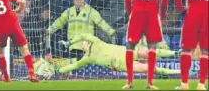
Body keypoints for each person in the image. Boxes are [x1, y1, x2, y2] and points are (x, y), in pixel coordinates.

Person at [34, 34, 180, 79]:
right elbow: (73, 65)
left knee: (149, 52)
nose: (84, 42)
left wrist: (69, 42)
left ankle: (175, 53)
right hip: (122, 64)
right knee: (149, 68)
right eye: (82, 43)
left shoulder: (96, 41)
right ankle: (178, 72)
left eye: (84, 42)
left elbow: (83, 35)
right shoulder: (87, 58)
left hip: (125, 51)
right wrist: (60, 71)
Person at [124, 0, 168, 89]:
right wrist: (162, 16)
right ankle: (150, 83)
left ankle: (129, 82)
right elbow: (165, 0)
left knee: (130, 46)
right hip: (152, 14)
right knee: (152, 47)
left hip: (137, 13)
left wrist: (131, 13)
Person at [173, 0, 208, 90]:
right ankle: (201, 84)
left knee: (186, 49)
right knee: (206, 50)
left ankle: (184, 84)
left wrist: (181, 9)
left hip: (193, 13)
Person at [47, 0, 115, 59]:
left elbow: (101, 22)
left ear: (83, 0)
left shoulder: (91, 11)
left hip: (85, 46)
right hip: (72, 46)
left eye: (80, 0)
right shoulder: (69, 11)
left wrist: (111, 32)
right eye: (77, 0)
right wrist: (49, 30)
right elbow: (59, 22)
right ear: (73, 1)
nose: (79, 2)